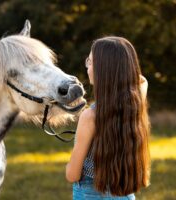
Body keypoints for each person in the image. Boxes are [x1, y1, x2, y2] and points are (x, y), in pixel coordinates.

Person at [66, 36, 150, 200]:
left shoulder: (90, 116)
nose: (87, 67)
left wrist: (68, 166)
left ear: (102, 70)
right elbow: (142, 80)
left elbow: (72, 175)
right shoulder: (136, 102)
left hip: (90, 193)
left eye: (90, 62)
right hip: (124, 193)